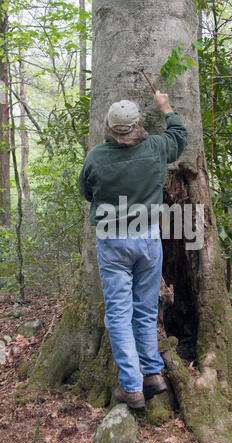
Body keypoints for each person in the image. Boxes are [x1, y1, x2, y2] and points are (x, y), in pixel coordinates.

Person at [78, 91, 187, 409]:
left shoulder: (97, 156)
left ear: (110, 127)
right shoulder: (155, 148)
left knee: (119, 314)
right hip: (149, 239)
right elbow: (178, 136)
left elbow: (86, 191)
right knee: (144, 310)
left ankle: (132, 386)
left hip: (113, 239)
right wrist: (166, 107)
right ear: (138, 124)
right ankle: (152, 374)